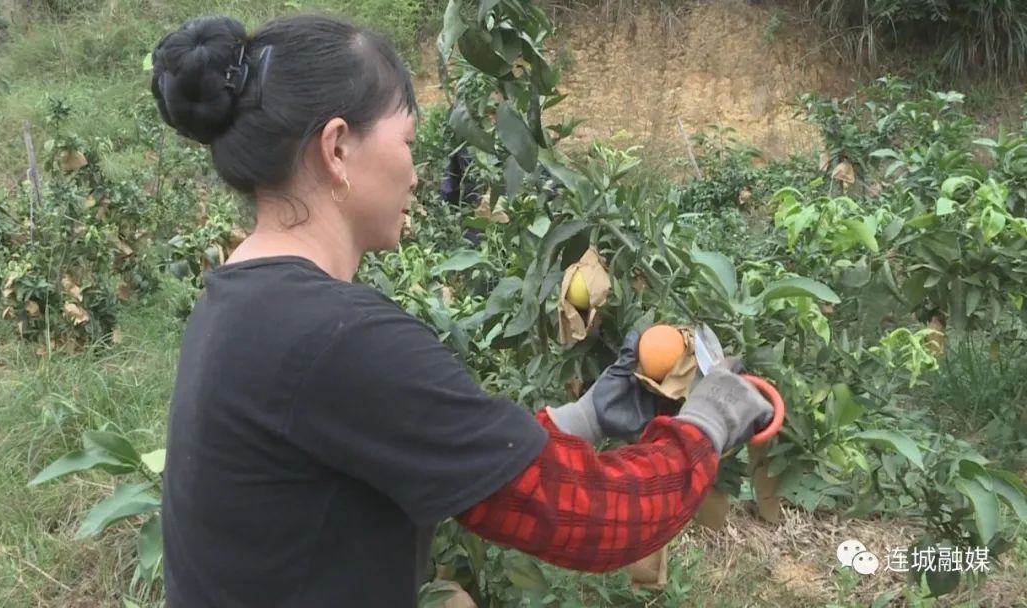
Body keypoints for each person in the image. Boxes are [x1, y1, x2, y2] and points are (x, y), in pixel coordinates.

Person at [150, 12, 775, 608]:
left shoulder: (238, 299)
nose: (417, 175)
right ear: (336, 148)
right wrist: (707, 423)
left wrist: (583, 418)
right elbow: (597, 519)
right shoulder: (339, 338)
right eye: (407, 142)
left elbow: (448, 464)